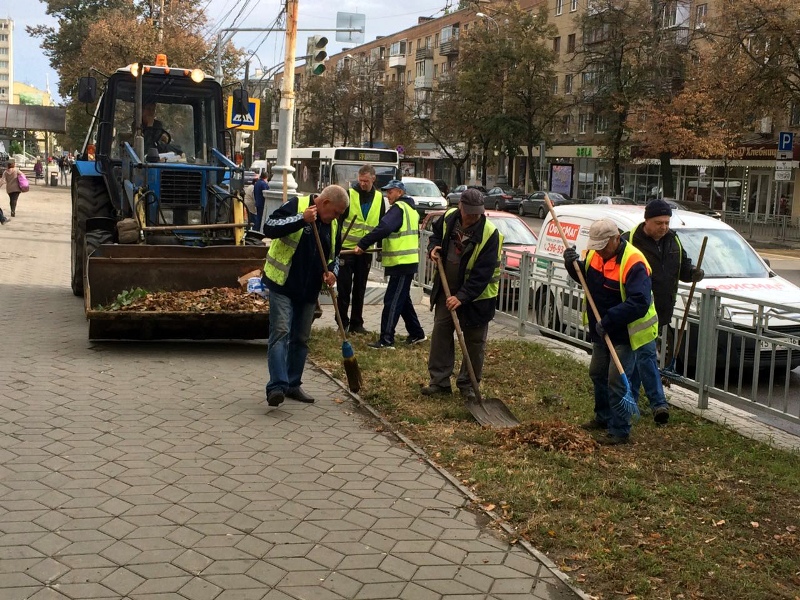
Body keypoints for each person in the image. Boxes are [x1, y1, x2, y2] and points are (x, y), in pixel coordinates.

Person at [563, 218, 659, 445]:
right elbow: (586, 279)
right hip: (601, 330)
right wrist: (571, 264)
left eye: (603, 246)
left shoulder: (634, 262)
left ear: (616, 239)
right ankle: (603, 417)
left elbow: (639, 302)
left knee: (617, 381)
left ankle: (620, 429)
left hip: (625, 333)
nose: (599, 251)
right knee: (597, 373)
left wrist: (609, 320)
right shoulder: (595, 254)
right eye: (595, 246)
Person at [262, 185, 349, 408]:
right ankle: (277, 386)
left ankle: (293, 383)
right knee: (281, 332)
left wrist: (332, 272)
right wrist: (302, 219)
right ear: (325, 203)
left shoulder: (334, 224)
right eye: (336, 212)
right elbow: (269, 227)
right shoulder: (297, 205)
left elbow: (334, 256)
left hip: (308, 289)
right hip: (283, 283)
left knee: (300, 338)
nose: (337, 217)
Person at [622, 199, 704, 424]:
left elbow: (682, 268)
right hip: (637, 311)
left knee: (640, 359)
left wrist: (693, 272)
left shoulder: (673, 240)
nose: (664, 227)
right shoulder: (629, 240)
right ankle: (658, 404)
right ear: (647, 220)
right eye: (659, 222)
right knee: (646, 355)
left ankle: (631, 402)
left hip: (661, 311)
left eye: (667, 222)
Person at [422, 188, 502, 400]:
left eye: (477, 213)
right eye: (470, 213)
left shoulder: (489, 233)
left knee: (474, 342)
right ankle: (439, 382)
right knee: (441, 334)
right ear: (460, 207)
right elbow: (435, 235)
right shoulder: (449, 217)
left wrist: (462, 296)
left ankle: (468, 385)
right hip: (446, 290)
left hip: (477, 298)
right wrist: (433, 248)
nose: (473, 217)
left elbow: (483, 273)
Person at [353, 180, 426, 349]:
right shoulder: (411, 209)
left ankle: (386, 340)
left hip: (401, 264)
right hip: (406, 262)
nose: (387, 195)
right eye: (386, 192)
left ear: (400, 192)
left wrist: (363, 243)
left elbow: (384, 228)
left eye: (390, 192)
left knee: (392, 300)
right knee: (403, 300)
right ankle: (417, 333)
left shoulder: (398, 209)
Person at [338, 164, 386, 335]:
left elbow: (381, 224)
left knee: (360, 288)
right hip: (347, 249)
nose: (363, 184)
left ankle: (356, 323)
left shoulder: (379, 198)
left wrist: (379, 247)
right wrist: (336, 246)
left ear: (373, 179)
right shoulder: (349, 194)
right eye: (361, 180)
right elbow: (339, 221)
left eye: (366, 181)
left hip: (365, 251)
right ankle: (342, 322)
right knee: (344, 288)